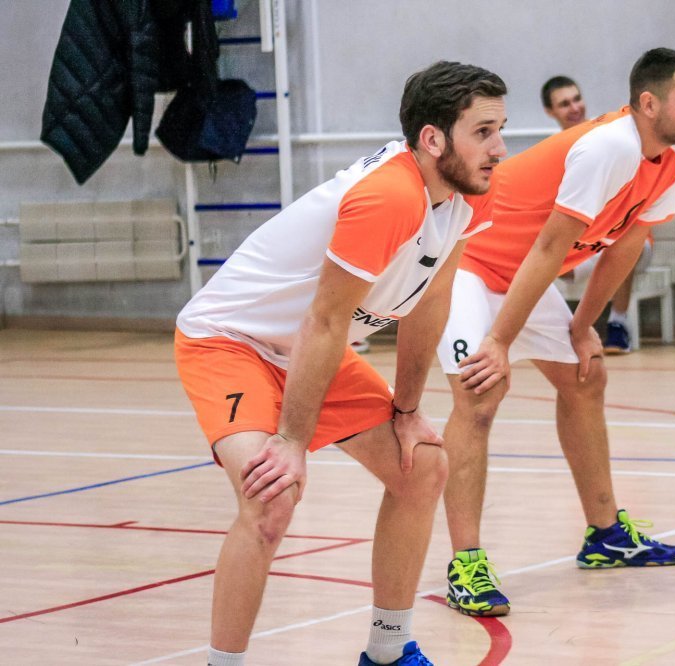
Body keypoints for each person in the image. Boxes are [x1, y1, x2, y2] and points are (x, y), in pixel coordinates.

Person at [173, 61, 507, 666]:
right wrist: (291, 442)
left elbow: (431, 303)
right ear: (433, 139)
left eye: (499, 130)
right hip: (231, 341)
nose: (499, 149)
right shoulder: (389, 196)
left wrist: (407, 411)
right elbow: (325, 322)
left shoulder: (465, 199)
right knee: (271, 495)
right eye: (483, 133)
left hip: (306, 348)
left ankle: (387, 652)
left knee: (422, 466)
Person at [436, 48, 675, 618]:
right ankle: (466, 565)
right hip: (466, 264)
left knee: (586, 376)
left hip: (522, 275)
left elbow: (627, 244)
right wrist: (498, 341)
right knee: (480, 393)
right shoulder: (608, 147)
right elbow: (550, 247)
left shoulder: (673, 155)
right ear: (650, 104)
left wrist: (584, 327)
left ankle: (605, 535)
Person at [541, 75, 653, 354]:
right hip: (582, 241)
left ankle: (618, 324)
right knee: (541, 251)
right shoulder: (553, 151)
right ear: (550, 111)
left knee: (620, 241)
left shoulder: (609, 136)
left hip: (626, 235)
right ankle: (550, 332)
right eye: (564, 104)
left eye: (577, 99)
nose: (574, 108)